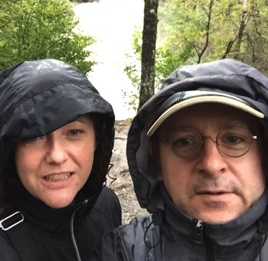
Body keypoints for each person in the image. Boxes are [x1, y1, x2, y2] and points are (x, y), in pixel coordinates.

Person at [94, 58, 268, 261]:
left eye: (234, 139)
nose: (211, 165)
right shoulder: (122, 252)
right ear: (157, 161)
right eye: (185, 142)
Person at [0, 59, 121, 261]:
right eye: (35, 136)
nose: (57, 156)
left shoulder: (107, 205)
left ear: (97, 141)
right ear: (10, 150)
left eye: (74, 132)